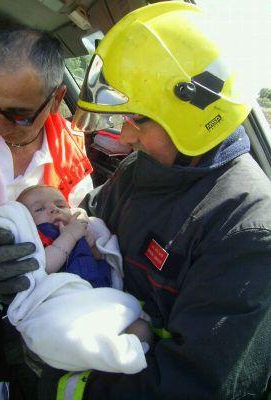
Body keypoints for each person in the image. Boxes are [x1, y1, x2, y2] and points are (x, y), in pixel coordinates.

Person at [56, 2, 271, 399]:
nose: (124, 136)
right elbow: (88, 218)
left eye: (137, 119)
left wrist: (62, 386)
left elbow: (190, 386)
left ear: (192, 115)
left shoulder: (248, 231)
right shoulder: (141, 170)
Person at [0, 28, 93, 399]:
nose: (1, 124)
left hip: (44, 300)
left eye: (19, 115)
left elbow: (80, 232)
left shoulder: (73, 155)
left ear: (56, 100)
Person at [0, 184, 152, 376]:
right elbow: (44, 266)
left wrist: (92, 241)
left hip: (101, 296)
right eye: (39, 209)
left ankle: (130, 352)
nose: (53, 209)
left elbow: (103, 257)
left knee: (141, 325)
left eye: (60, 204)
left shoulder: (80, 230)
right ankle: (106, 354)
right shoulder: (41, 237)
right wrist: (70, 236)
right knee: (63, 334)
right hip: (67, 302)